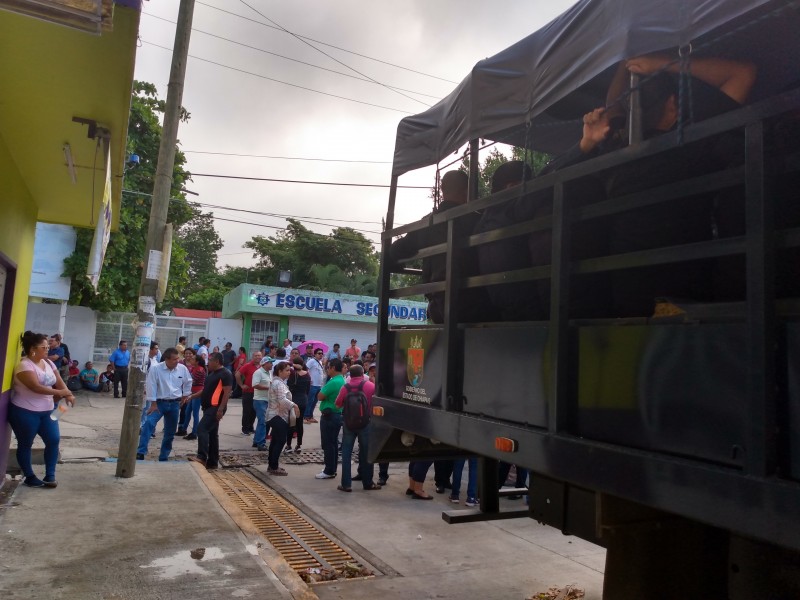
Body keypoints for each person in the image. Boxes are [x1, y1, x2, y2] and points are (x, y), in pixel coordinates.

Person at [390, 170, 486, 323]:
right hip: (476, 307)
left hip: (438, 309)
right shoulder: (478, 220)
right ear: (467, 191)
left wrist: (397, 265)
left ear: (442, 190)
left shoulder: (427, 223)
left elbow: (394, 251)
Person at [9, 331, 75, 488]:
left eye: (47, 346)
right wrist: (60, 393)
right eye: (43, 347)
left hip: (49, 410)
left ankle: (50, 475)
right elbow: (35, 387)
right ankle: (30, 476)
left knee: (53, 439)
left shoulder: (49, 363)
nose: (47, 350)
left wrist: (68, 394)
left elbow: (60, 382)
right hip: (25, 411)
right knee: (25, 443)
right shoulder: (24, 365)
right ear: (32, 348)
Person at [136, 348, 191, 461]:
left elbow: (188, 381)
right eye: (174, 359)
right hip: (159, 403)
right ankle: (141, 451)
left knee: (170, 432)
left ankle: (164, 456)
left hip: (175, 404)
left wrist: (185, 396)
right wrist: (153, 403)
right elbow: (151, 385)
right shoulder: (156, 369)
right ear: (167, 359)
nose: (177, 361)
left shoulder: (182, 369)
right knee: (148, 425)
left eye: (178, 359)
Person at [335, 364, 381, 492]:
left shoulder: (345, 387)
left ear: (350, 374)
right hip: (366, 423)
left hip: (349, 424)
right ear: (362, 374)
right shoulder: (370, 386)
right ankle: (368, 483)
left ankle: (346, 484)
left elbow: (338, 404)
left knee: (346, 453)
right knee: (366, 453)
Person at [186, 352, 233, 470]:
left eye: (210, 360)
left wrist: (221, 409)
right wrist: (192, 396)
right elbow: (205, 390)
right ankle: (213, 462)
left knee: (202, 429)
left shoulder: (225, 374)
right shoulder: (212, 374)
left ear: (217, 362)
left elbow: (227, 393)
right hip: (208, 407)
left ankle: (202, 457)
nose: (208, 363)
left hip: (216, 407)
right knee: (212, 434)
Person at [266, 362, 299, 476]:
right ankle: (274, 466)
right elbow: (282, 400)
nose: (289, 372)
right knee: (280, 441)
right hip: (277, 415)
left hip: (276, 415)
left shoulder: (278, 382)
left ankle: (272, 465)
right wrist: (294, 405)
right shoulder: (278, 384)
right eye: (287, 370)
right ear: (280, 371)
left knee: (275, 440)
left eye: (289, 370)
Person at [315, 358, 345, 480]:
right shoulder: (341, 380)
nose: (327, 370)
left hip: (330, 415)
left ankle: (328, 470)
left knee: (328, 444)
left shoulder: (333, 382)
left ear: (332, 368)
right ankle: (331, 468)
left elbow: (320, 396)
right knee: (332, 444)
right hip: (336, 414)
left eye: (328, 367)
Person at [179, 353, 205, 440]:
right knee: (188, 411)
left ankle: (194, 432)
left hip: (197, 393)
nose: (191, 360)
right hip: (193, 392)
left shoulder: (199, 369)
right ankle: (184, 429)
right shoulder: (195, 368)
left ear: (197, 361)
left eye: (193, 359)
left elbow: (191, 381)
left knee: (195, 413)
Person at [286, 357, 310, 453]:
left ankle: (288, 445)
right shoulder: (307, 375)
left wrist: (292, 364)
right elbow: (308, 390)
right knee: (300, 424)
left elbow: (289, 385)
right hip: (303, 400)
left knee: (291, 423)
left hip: (293, 400)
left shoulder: (292, 374)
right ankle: (299, 445)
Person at [236, 351, 262, 436]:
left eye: (259, 355)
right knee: (247, 411)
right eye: (256, 355)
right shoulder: (247, 365)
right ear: (253, 357)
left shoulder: (262, 366)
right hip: (248, 392)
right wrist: (241, 385)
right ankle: (245, 429)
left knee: (254, 411)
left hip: (258, 393)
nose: (258, 357)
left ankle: (251, 427)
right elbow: (238, 374)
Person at [251, 355, 274, 451]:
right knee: (263, 422)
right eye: (270, 363)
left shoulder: (269, 373)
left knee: (262, 421)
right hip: (259, 400)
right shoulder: (258, 372)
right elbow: (255, 385)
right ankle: (261, 443)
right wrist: (269, 388)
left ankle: (257, 441)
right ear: (265, 364)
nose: (272, 364)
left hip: (266, 399)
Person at [304, 347, 325, 424]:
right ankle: (306, 416)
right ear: (315, 354)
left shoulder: (320, 362)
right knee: (310, 401)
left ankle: (310, 416)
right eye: (319, 353)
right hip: (313, 385)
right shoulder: (311, 361)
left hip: (319, 385)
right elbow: (305, 369)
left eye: (322, 353)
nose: (321, 355)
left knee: (315, 401)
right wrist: (309, 379)